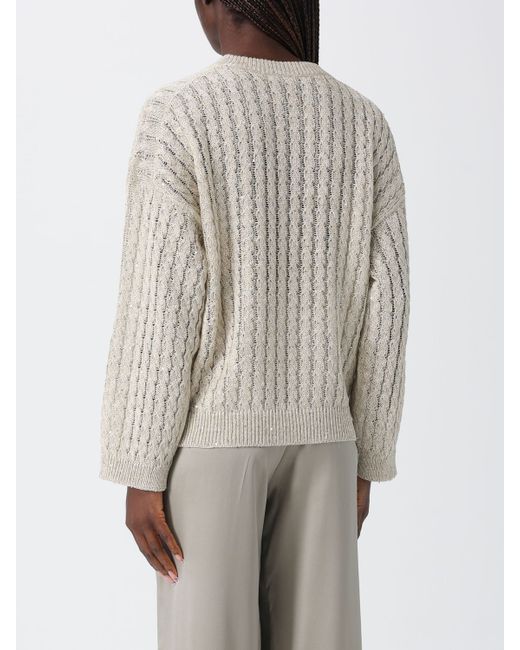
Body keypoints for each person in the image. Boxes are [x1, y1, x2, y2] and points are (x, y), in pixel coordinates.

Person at [99, 0, 410, 648]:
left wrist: (140, 464)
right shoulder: (365, 124)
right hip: (328, 440)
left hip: (215, 443)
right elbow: (389, 305)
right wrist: (368, 457)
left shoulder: (181, 114)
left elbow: (161, 297)